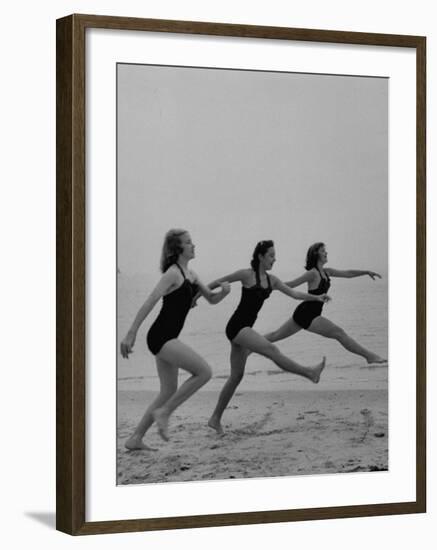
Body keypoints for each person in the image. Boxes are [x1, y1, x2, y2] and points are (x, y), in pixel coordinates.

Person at [120, 229, 230, 449]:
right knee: (204, 372)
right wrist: (131, 333)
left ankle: (135, 438)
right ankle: (165, 413)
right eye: (189, 242)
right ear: (178, 248)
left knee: (168, 390)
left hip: (168, 337)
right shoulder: (173, 273)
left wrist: (224, 292)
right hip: (161, 336)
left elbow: (211, 299)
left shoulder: (192, 275)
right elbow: (150, 302)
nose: (193, 245)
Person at [206, 240, 330, 435]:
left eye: (275, 255)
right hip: (237, 327)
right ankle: (309, 373)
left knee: (236, 376)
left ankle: (215, 418)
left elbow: (295, 294)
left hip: (244, 329)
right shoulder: (246, 275)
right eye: (271, 255)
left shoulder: (272, 281)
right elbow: (216, 282)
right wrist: (196, 298)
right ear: (260, 257)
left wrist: (316, 298)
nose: (274, 259)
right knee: (272, 350)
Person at [263, 242, 386, 364]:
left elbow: (348, 274)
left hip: (307, 313)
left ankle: (248, 345)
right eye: (323, 251)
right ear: (316, 254)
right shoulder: (312, 273)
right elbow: (291, 284)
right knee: (339, 333)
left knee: (275, 335)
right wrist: (268, 287)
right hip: (308, 313)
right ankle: (370, 357)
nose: (326, 252)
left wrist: (365, 272)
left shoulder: (327, 272)